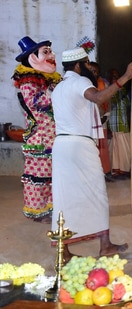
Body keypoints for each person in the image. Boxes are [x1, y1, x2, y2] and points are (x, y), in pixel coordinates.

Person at [51, 47, 132, 260]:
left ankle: (64, 251)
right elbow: (98, 98)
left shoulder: (58, 87)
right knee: (97, 192)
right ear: (79, 65)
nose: (90, 67)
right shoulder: (81, 82)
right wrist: (126, 77)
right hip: (79, 145)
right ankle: (105, 246)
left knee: (64, 197)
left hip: (61, 145)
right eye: (87, 64)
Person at [12, 36, 61, 223]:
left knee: (53, 175)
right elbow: (35, 104)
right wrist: (53, 92)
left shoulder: (49, 79)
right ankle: (38, 211)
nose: (52, 55)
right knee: (39, 177)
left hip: (53, 135)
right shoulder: (28, 81)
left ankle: (52, 207)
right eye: (46, 52)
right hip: (39, 138)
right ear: (32, 57)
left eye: (51, 51)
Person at [89, 61, 114, 182]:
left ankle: (105, 172)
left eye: (96, 72)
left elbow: (108, 104)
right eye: (91, 71)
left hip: (102, 120)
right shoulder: (85, 85)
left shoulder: (103, 84)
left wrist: (105, 117)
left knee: (102, 148)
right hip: (88, 124)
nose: (94, 73)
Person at [107, 68, 131, 179]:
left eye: (117, 77)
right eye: (113, 77)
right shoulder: (107, 91)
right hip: (112, 124)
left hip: (123, 123)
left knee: (125, 149)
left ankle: (125, 170)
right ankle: (116, 171)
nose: (115, 79)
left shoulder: (124, 91)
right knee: (115, 150)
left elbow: (128, 105)